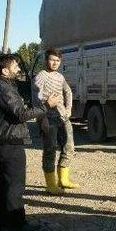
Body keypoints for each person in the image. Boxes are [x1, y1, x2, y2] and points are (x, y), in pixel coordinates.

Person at [0, 54, 59, 231]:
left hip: (1, 140)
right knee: (15, 183)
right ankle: (17, 223)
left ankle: (1, 221)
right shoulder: (3, 88)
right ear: (4, 71)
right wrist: (46, 106)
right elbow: (20, 114)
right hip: (8, 142)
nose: (18, 69)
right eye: (15, 66)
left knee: (2, 181)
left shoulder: (0, 86)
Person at [33, 48, 79, 195]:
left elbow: (68, 91)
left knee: (69, 147)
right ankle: (51, 184)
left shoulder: (59, 76)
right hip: (47, 118)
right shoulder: (41, 76)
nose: (54, 63)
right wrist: (44, 109)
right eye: (52, 60)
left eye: (57, 61)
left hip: (62, 117)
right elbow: (36, 98)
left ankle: (63, 180)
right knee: (50, 150)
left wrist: (69, 108)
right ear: (46, 60)